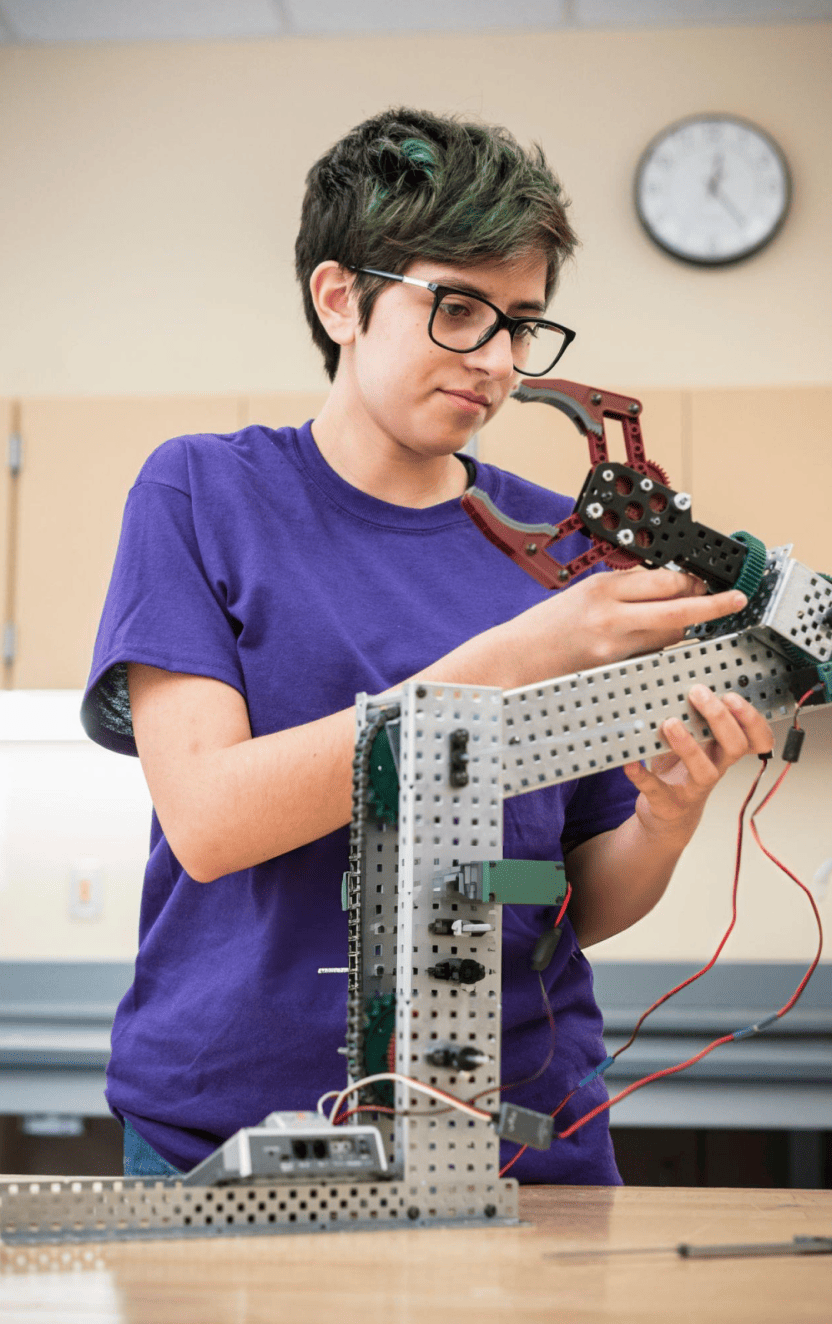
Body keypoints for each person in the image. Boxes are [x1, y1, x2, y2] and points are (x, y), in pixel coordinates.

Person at [82, 107, 772, 1183]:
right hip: (233, 1134)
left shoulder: (575, 547)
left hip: (521, 1136)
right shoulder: (204, 492)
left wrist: (666, 818)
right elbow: (212, 821)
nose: (496, 360)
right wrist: (511, 656)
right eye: (457, 308)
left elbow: (576, 897)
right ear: (338, 297)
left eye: (521, 321)